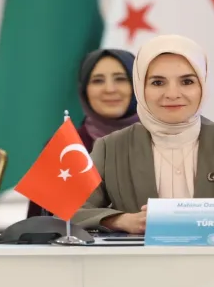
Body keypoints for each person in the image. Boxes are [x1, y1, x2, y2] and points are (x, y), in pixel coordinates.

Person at [72, 35, 214, 233]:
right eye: (157, 83)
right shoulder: (111, 148)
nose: (172, 94)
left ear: (203, 85)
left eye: (187, 82)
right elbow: (71, 210)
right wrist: (121, 220)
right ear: (140, 88)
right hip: (140, 257)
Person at [27, 48, 139, 217]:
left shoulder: (161, 140)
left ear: (138, 84)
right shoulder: (65, 146)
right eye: (97, 81)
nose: (110, 89)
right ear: (84, 90)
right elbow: (38, 224)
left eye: (121, 79)